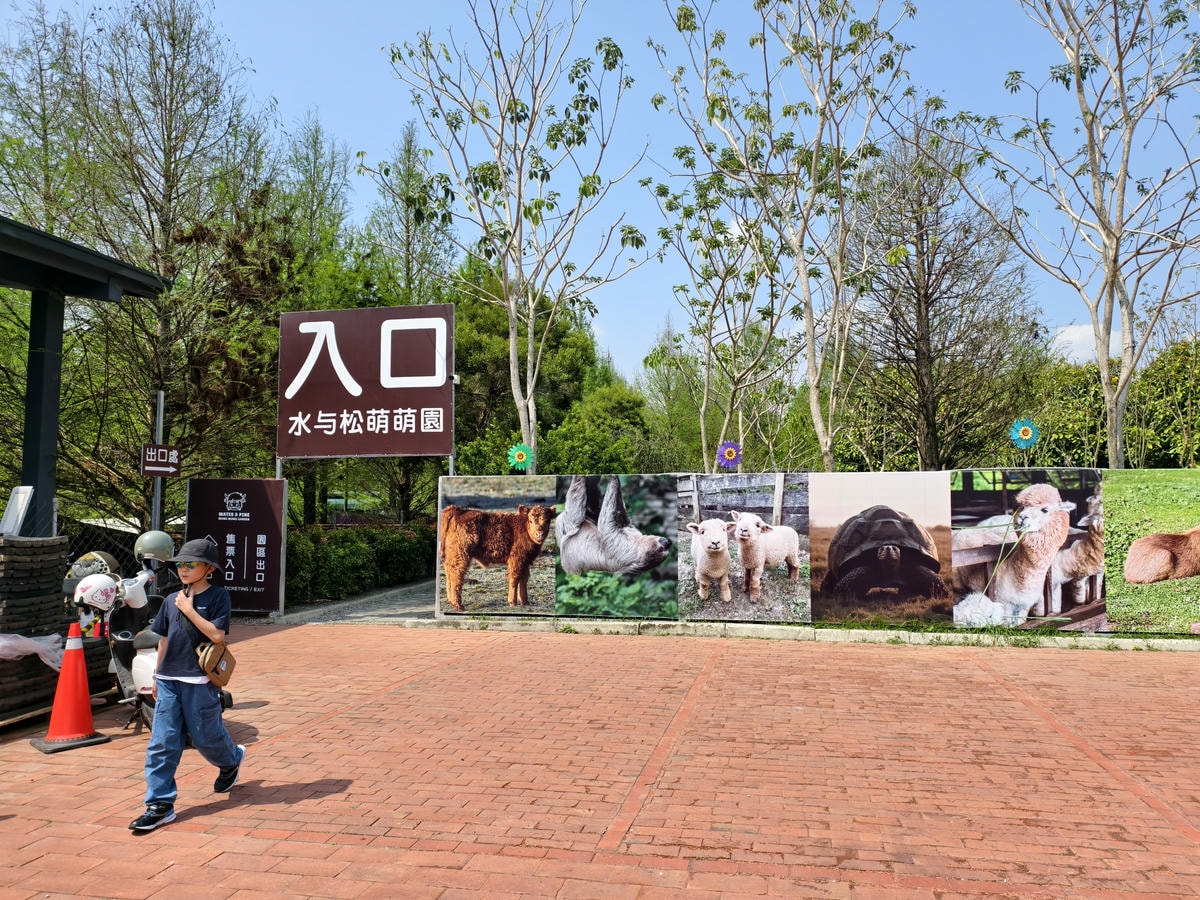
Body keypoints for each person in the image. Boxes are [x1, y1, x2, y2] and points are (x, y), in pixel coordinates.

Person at [129, 538, 245, 832]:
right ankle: (160, 805)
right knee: (162, 744)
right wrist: (157, 674)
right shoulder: (170, 600)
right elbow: (164, 639)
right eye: (180, 563)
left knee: (205, 737)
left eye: (190, 564)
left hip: (199, 682)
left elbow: (217, 636)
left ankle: (231, 760)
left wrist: (190, 610)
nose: (183, 569)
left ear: (208, 569)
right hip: (169, 681)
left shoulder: (218, 597)